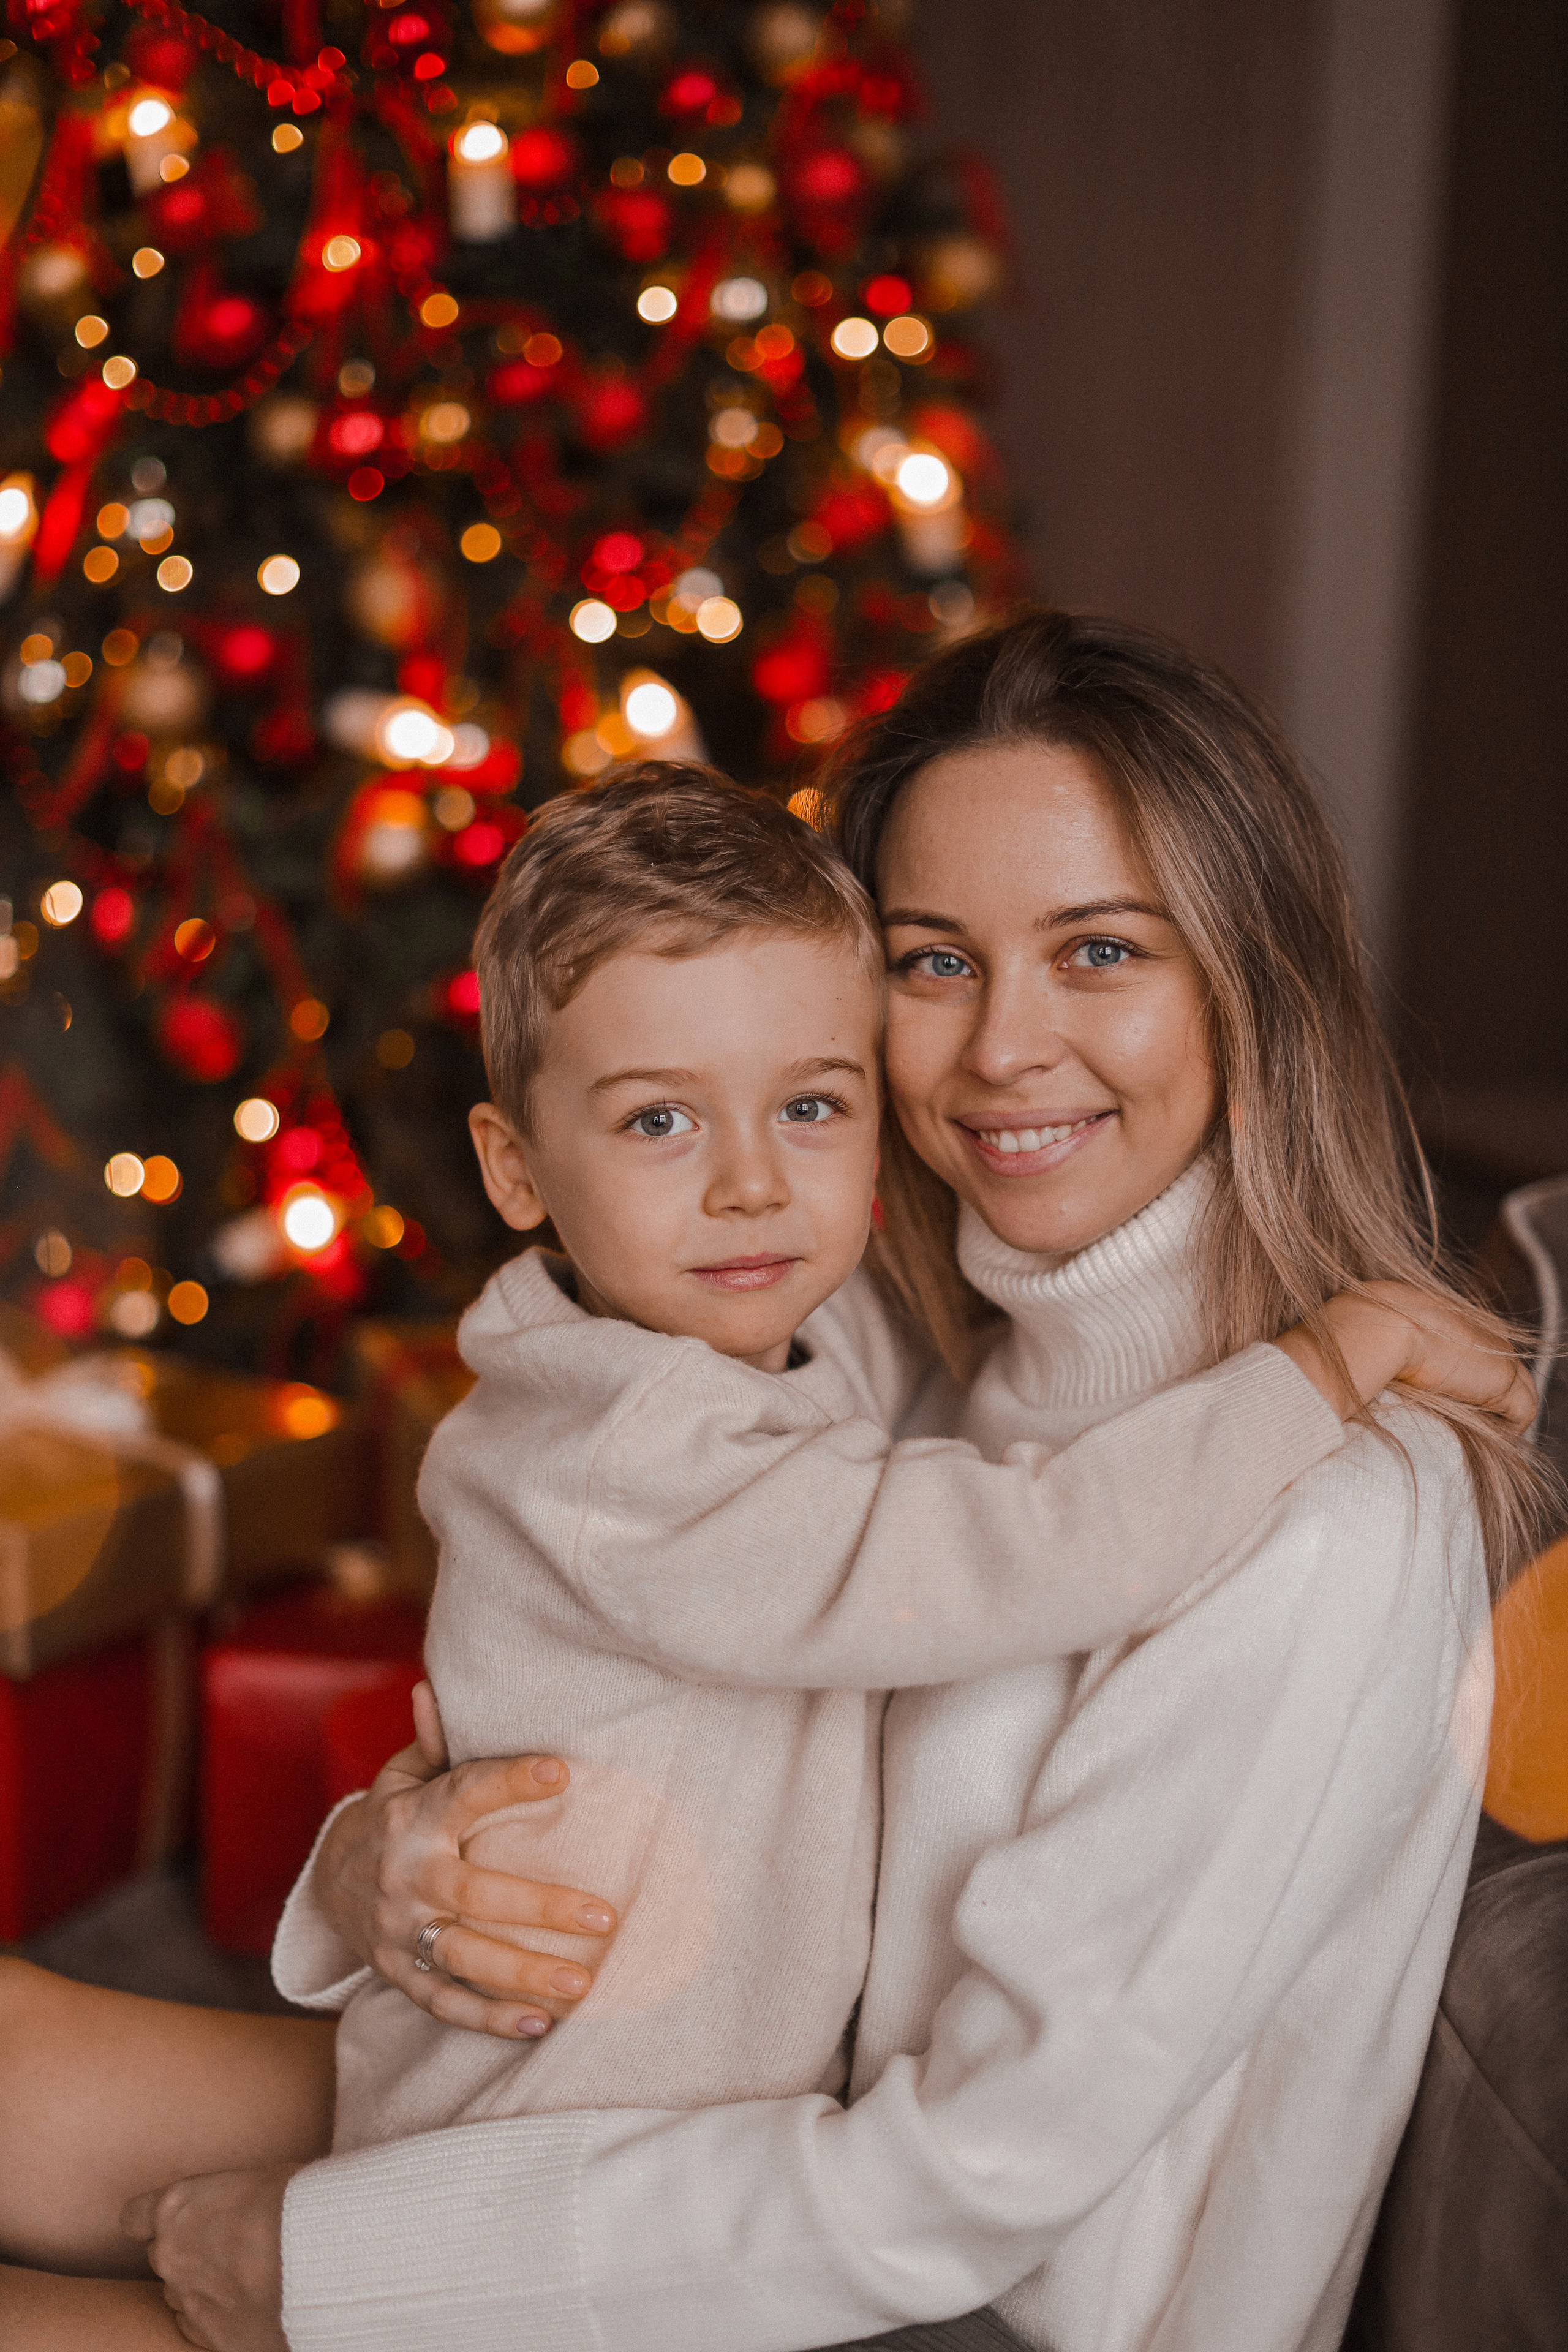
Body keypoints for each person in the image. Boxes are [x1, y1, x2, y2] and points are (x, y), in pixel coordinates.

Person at [0, 614, 1539, 2352]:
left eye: (1101, 950)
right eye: (935, 960)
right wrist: (378, 1867)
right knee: (41, 2061)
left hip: (933, 2305)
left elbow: (963, 2188)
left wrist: (326, 2274)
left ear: (1250, 979)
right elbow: (605, 1684)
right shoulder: (894, 1351)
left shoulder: (1321, 1521)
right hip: (693, 2112)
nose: (1004, 1046)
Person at [339, 758, 1389, 2155]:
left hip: (640, 2122)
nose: (751, 1183)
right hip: (551, 2136)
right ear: (515, 1167)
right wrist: (1321, 1368)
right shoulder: (633, 1448)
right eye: (660, 1120)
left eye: (812, 1107)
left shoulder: (745, 1335)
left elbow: (888, 1339)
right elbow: (1017, 1552)